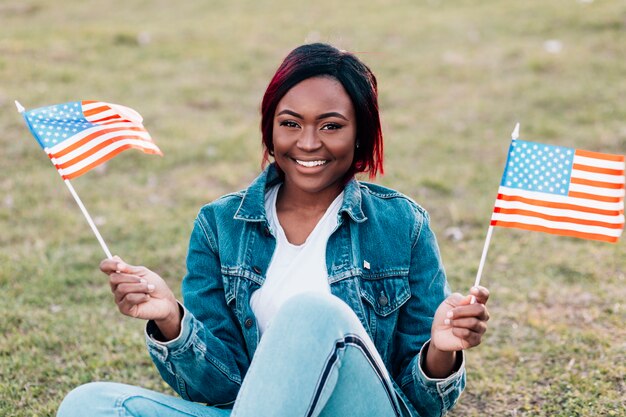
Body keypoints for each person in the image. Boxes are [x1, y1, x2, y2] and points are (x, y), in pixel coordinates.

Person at [57, 43, 490, 417]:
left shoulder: (402, 225)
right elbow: (221, 391)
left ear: (361, 135)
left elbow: (424, 404)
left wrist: (441, 352)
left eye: (332, 125)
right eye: (290, 123)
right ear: (270, 128)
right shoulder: (219, 226)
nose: (307, 142)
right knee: (89, 404)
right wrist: (171, 320)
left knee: (312, 313)